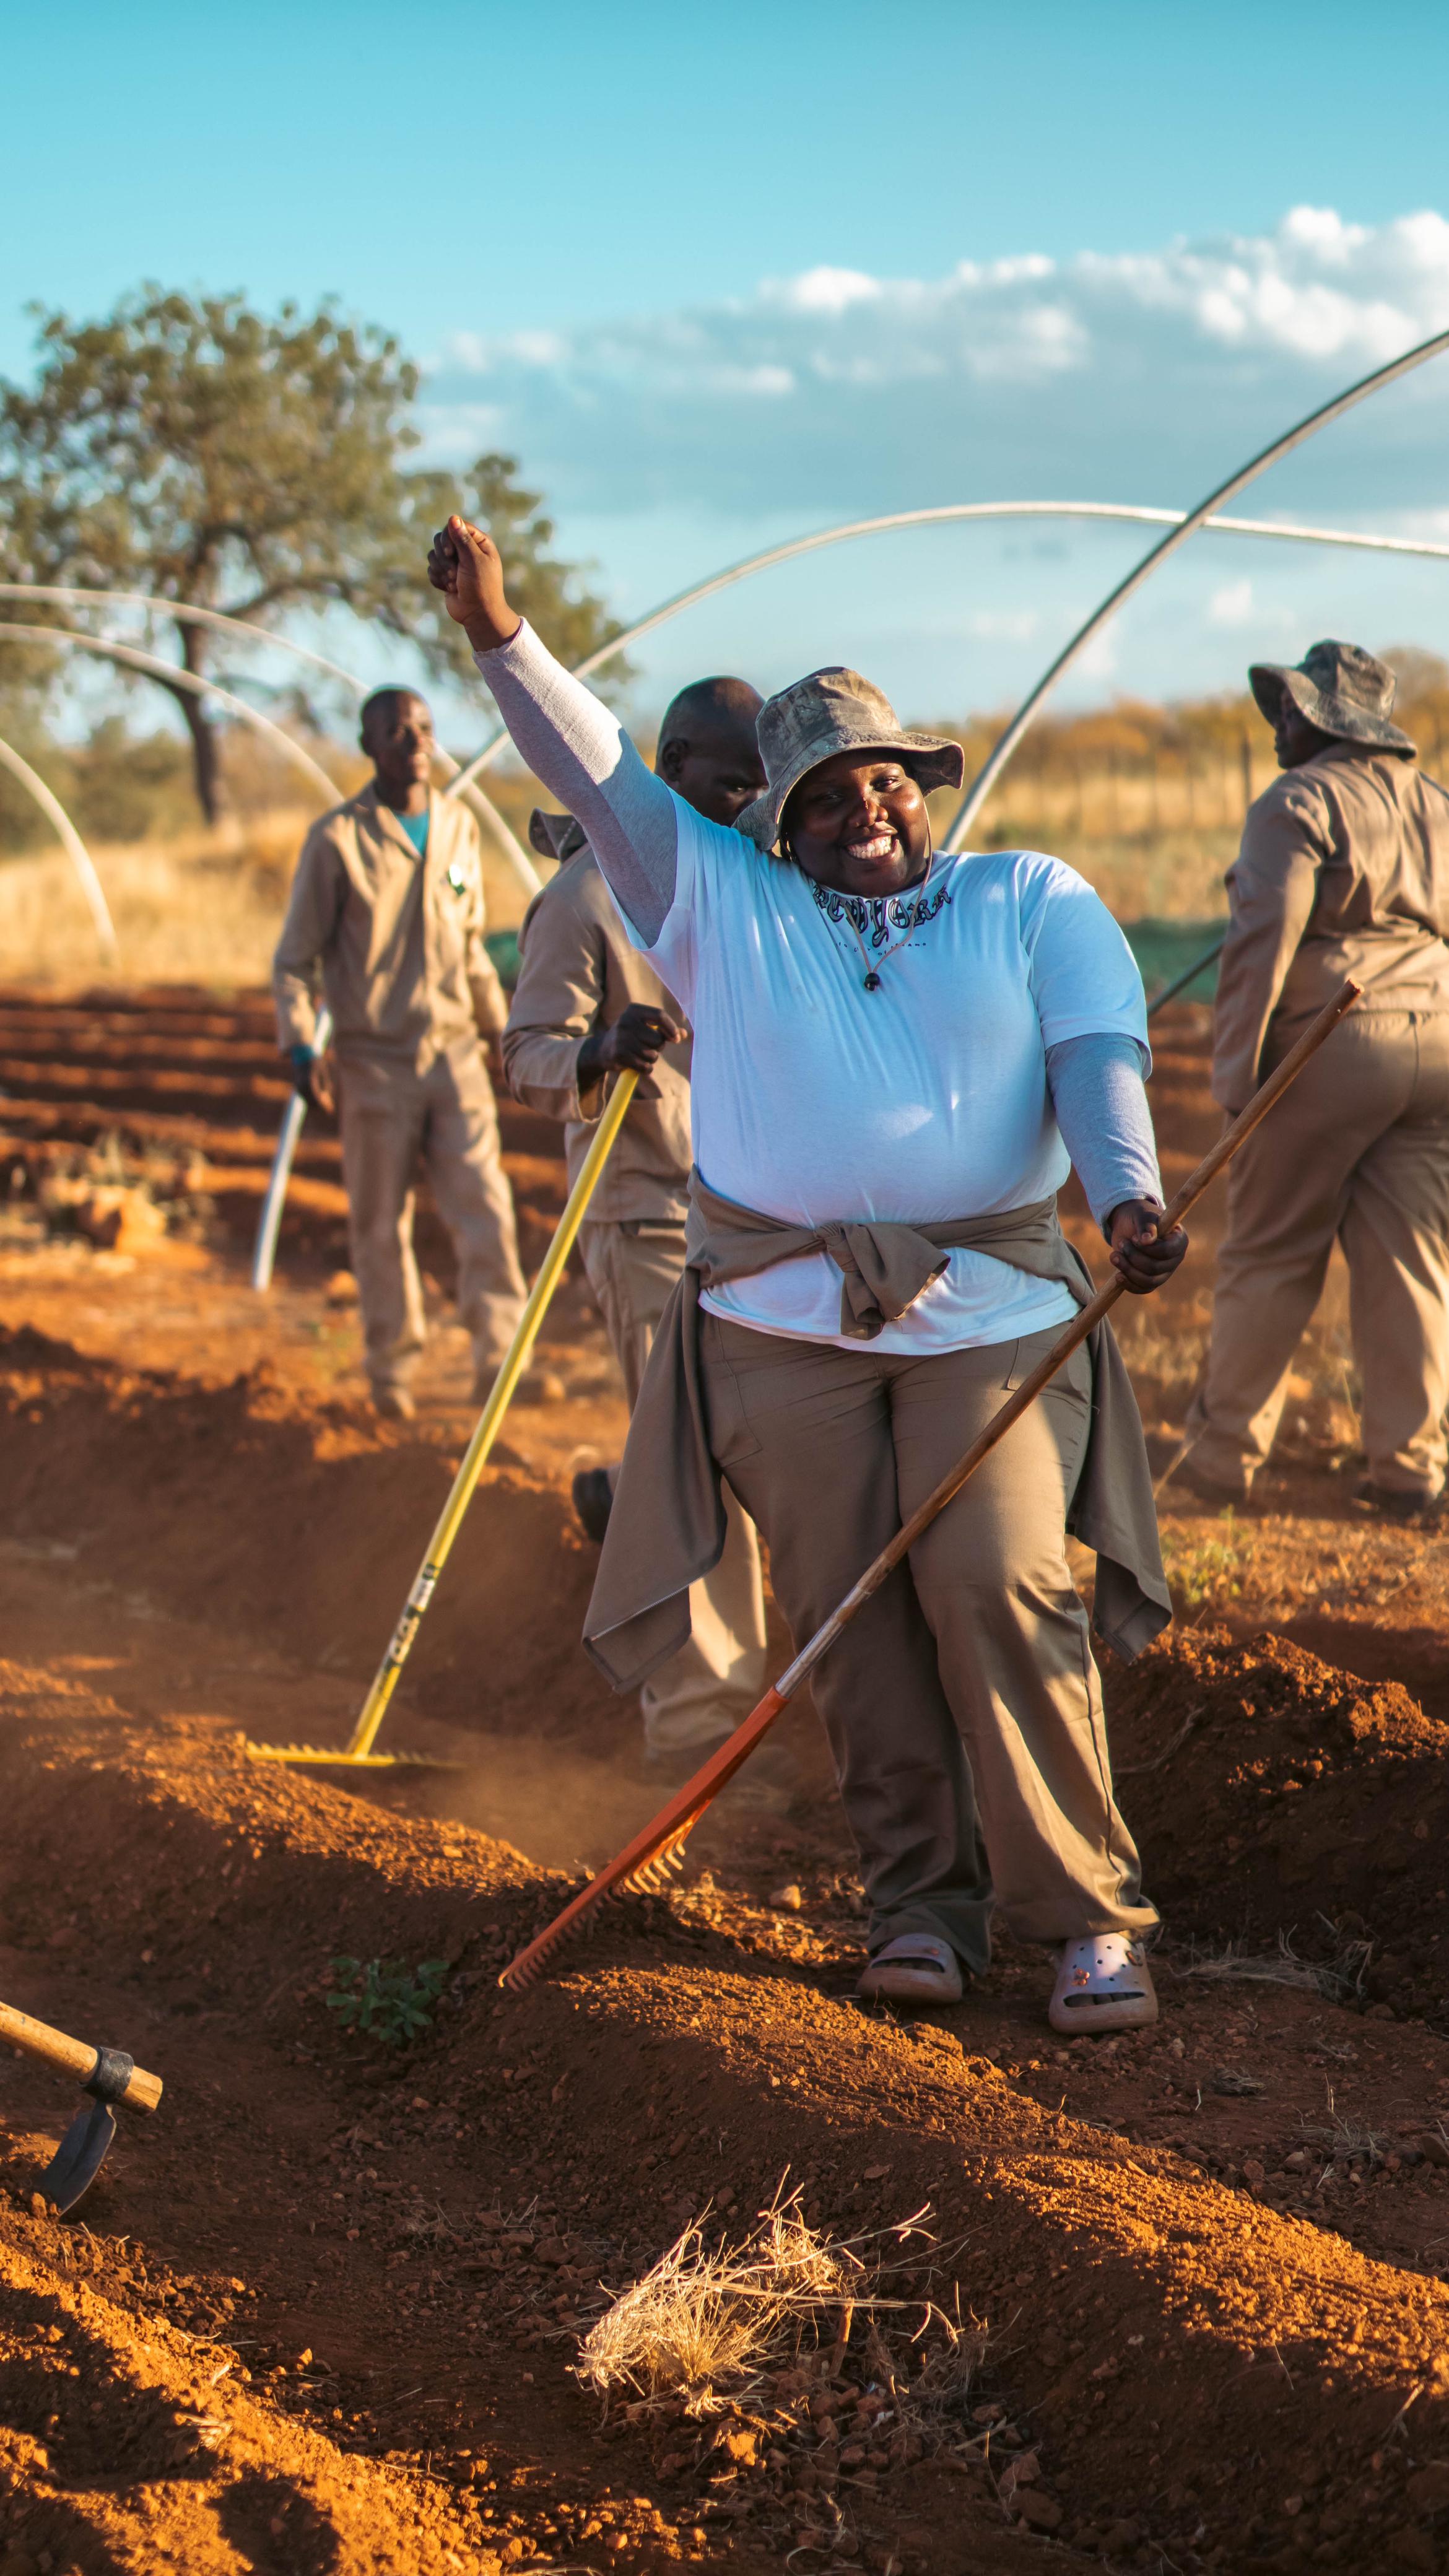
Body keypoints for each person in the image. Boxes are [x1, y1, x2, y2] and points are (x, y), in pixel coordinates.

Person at [430, 515, 1186, 2033]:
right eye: (828, 795)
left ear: (923, 788)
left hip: (990, 1316)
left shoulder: (1028, 900)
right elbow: (593, 767)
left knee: (1001, 1582)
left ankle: (1083, 1918)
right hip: (786, 1331)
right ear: (777, 823)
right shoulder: (718, 903)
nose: (865, 809)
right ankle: (919, 1907)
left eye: (885, 779)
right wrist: (497, 632)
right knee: (850, 1619)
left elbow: (1096, 1060)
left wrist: (1128, 1200)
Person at [503, 679, 772, 1775]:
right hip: (645, 1215)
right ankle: (701, 1738)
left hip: (753, 1217)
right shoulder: (584, 896)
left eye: (762, 783)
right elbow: (525, 1053)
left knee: (746, 1453)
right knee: (701, 1471)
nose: (748, 800)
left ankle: (627, 1496)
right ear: (670, 764)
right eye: (728, 780)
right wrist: (601, 1051)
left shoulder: (747, 877)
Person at [1183, 641, 1449, 1521]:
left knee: (1269, 1251)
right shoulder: (1437, 803)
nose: (1276, 727)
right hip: (1437, 1043)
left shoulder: (1295, 801)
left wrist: (1237, 1084)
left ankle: (1221, 1460)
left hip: (1333, 1041)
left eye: (1291, 712)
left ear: (1327, 719)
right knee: (1412, 1257)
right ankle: (1411, 1471)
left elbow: (1264, 942)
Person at [272, 686, 528, 1420]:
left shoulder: (457, 828)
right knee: (380, 1221)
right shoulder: (336, 841)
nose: (414, 741)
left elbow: (474, 945)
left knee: (485, 1205)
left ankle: (500, 1358)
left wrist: (506, 1032)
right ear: (369, 747)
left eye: (422, 728)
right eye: (395, 731)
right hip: (373, 1061)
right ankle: (391, 1370)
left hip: (453, 1053)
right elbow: (295, 961)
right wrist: (298, 1045)